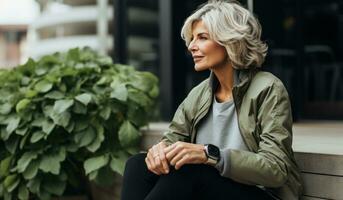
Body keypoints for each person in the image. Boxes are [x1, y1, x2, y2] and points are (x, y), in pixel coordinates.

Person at [121, 1, 303, 199]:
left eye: (202, 37)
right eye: (192, 39)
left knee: (191, 172)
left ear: (230, 41)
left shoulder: (268, 89)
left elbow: (275, 169)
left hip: (260, 193)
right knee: (137, 165)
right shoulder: (199, 94)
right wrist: (159, 151)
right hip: (207, 190)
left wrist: (211, 155)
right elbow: (173, 139)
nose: (191, 46)